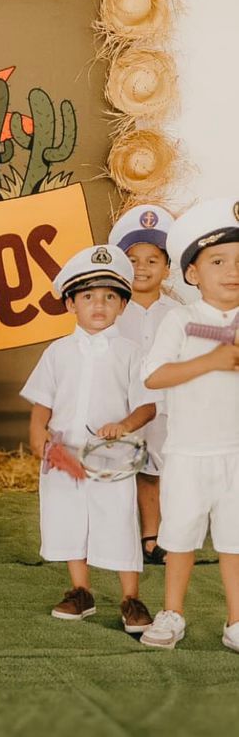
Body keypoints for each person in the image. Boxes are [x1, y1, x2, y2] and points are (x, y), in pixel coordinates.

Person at [21, 245, 157, 633]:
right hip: (64, 456)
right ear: (70, 304)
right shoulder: (57, 352)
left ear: (123, 306)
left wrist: (124, 425)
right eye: (87, 297)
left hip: (112, 459)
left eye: (110, 297)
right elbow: (43, 402)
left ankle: (131, 597)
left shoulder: (131, 353)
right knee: (68, 519)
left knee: (118, 521)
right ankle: (81, 591)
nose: (99, 305)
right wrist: (37, 434)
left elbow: (148, 406)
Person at [139, 198, 239, 651]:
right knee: (179, 536)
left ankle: (235, 621)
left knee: (234, 541)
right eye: (218, 262)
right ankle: (172, 613)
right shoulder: (181, 320)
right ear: (193, 274)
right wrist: (213, 359)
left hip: (235, 453)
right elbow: (154, 375)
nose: (232, 271)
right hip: (187, 453)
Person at [108, 205, 180, 565]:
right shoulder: (111, 310)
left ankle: (154, 537)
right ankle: (112, 538)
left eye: (153, 260)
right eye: (133, 260)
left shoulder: (178, 314)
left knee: (155, 471)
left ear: (167, 268)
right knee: (117, 470)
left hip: (164, 407)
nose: (142, 268)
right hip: (121, 405)